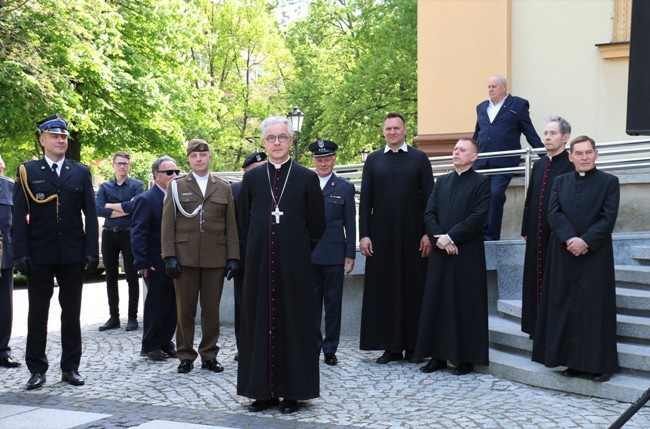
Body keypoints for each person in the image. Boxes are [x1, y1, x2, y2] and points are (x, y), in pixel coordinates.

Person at [236, 116, 325, 415]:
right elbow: (243, 222)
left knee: (294, 326)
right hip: (260, 266)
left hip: (294, 267)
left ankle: (292, 393)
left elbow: (317, 224)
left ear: (291, 140)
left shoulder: (306, 178)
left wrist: (296, 248)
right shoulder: (251, 179)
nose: (276, 142)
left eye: (282, 137)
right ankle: (261, 392)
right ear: (263, 142)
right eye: (271, 138)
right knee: (259, 324)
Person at [13, 113, 99, 389]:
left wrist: (91, 251)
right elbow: (18, 215)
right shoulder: (28, 171)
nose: (61, 140)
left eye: (63, 136)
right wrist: (20, 252)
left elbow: (91, 214)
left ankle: (70, 368)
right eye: (55, 136)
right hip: (39, 253)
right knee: (38, 313)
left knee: (71, 313)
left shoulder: (81, 172)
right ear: (43, 140)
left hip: (72, 253)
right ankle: (36, 369)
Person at [532, 135, 620, 382]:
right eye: (579, 153)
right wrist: (571, 238)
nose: (584, 157)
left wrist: (586, 241)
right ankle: (571, 361)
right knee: (566, 306)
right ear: (570, 157)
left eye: (588, 152)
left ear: (596, 154)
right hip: (564, 253)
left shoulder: (610, 182)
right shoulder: (560, 182)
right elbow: (554, 213)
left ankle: (600, 365)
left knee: (595, 309)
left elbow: (607, 218)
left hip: (595, 255)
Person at [358, 112, 433, 364]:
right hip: (381, 236)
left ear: (405, 130)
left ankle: (414, 346)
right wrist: (364, 235)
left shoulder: (419, 158)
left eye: (396, 128)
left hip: (414, 235)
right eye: (388, 128)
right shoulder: (373, 160)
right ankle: (390, 347)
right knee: (384, 289)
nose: (392, 132)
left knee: (414, 288)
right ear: (383, 131)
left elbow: (430, 200)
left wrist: (428, 233)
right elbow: (365, 201)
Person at [161, 138, 239, 374]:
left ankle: (209, 354)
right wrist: (169, 256)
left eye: (202, 156)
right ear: (189, 159)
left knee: (211, 310)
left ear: (209, 157)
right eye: (194, 156)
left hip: (215, 257)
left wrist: (233, 256)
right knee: (184, 309)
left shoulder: (223, 187)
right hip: (184, 257)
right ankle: (185, 355)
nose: (199, 159)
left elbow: (231, 224)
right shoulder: (176, 186)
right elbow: (167, 224)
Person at [415, 138, 491, 376]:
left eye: (462, 150)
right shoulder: (442, 181)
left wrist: (452, 237)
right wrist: (440, 239)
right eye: (455, 149)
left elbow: (478, 216)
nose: (456, 152)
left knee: (464, 303)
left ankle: (465, 358)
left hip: (466, 253)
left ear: (473, 156)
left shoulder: (482, 182)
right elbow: (429, 212)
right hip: (441, 251)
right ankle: (436, 356)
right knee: (437, 301)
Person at [520, 117, 574, 336]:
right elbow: (530, 196)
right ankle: (535, 326)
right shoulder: (540, 163)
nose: (547, 137)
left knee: (555, 278)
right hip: (536, 230)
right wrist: (525, 228)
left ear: (565, 137)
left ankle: (553, 327)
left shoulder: (571, 163)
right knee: (534, 276)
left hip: (558, 232)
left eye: (553, 133)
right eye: (546, 133)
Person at [473, 75, 543, 241]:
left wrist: (547, 156)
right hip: (482, 161)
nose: (490, 89)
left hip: (504, 161)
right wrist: (470, 154)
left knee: (496, 194)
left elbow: (529, 131)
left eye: (494, 86)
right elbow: (478, 134)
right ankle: (476, 234)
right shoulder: (481, 107)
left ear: (504, 87)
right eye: (489, 86)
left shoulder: (517, 105)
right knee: (476, 196)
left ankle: (490, 237)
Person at [309, 139, 356, 366]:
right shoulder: (305, 184)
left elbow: (350, 224)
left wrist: (350, 254)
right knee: (312, 304)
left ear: (334, 160)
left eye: (327, 159)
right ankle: (313, 345)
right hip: (309, 255)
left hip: (335, 253)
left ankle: (330, 348)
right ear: (314, 162)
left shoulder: (345, 187)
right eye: (319, 160)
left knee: (333, 304)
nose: (323, 163)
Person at [131, 156, 179, 361]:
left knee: (173, 306)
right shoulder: (146, 199)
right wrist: (142, 262)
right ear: (156, 175)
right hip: (154, 260)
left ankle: (165, 341)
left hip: (176, 260)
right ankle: (150, 344)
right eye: (169, 172)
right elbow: (138, 232)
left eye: (177, 172)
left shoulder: (177, 196)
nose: (174, 175)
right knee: (157, 305)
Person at [96, 151, 145, 332]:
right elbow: (98, 210)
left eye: (125, 163)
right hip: (109, 234)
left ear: (129, 166)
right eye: (119, 163)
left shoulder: (137, 185)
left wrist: (110, 206)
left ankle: (132, 317)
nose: (122, 166)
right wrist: (125, 207)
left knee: (132, 276)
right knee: (110, 277)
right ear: (113, 165)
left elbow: (136, 206)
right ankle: (114, 317)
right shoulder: (104, 187)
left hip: (129, 234)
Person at [230, 150, 267, 361]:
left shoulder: (276, 189)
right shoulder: (235, 190)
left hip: (271, 255)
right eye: (254, 170)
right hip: (244, 257)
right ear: (245, 173)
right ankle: (243, 346)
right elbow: (230, 226)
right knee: (243, 304)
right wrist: (232, 257)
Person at [0, 159, 20, 369]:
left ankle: (3, 351)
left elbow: (19, 222)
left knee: (5, 306)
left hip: (3, 256)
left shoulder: (10, 187)